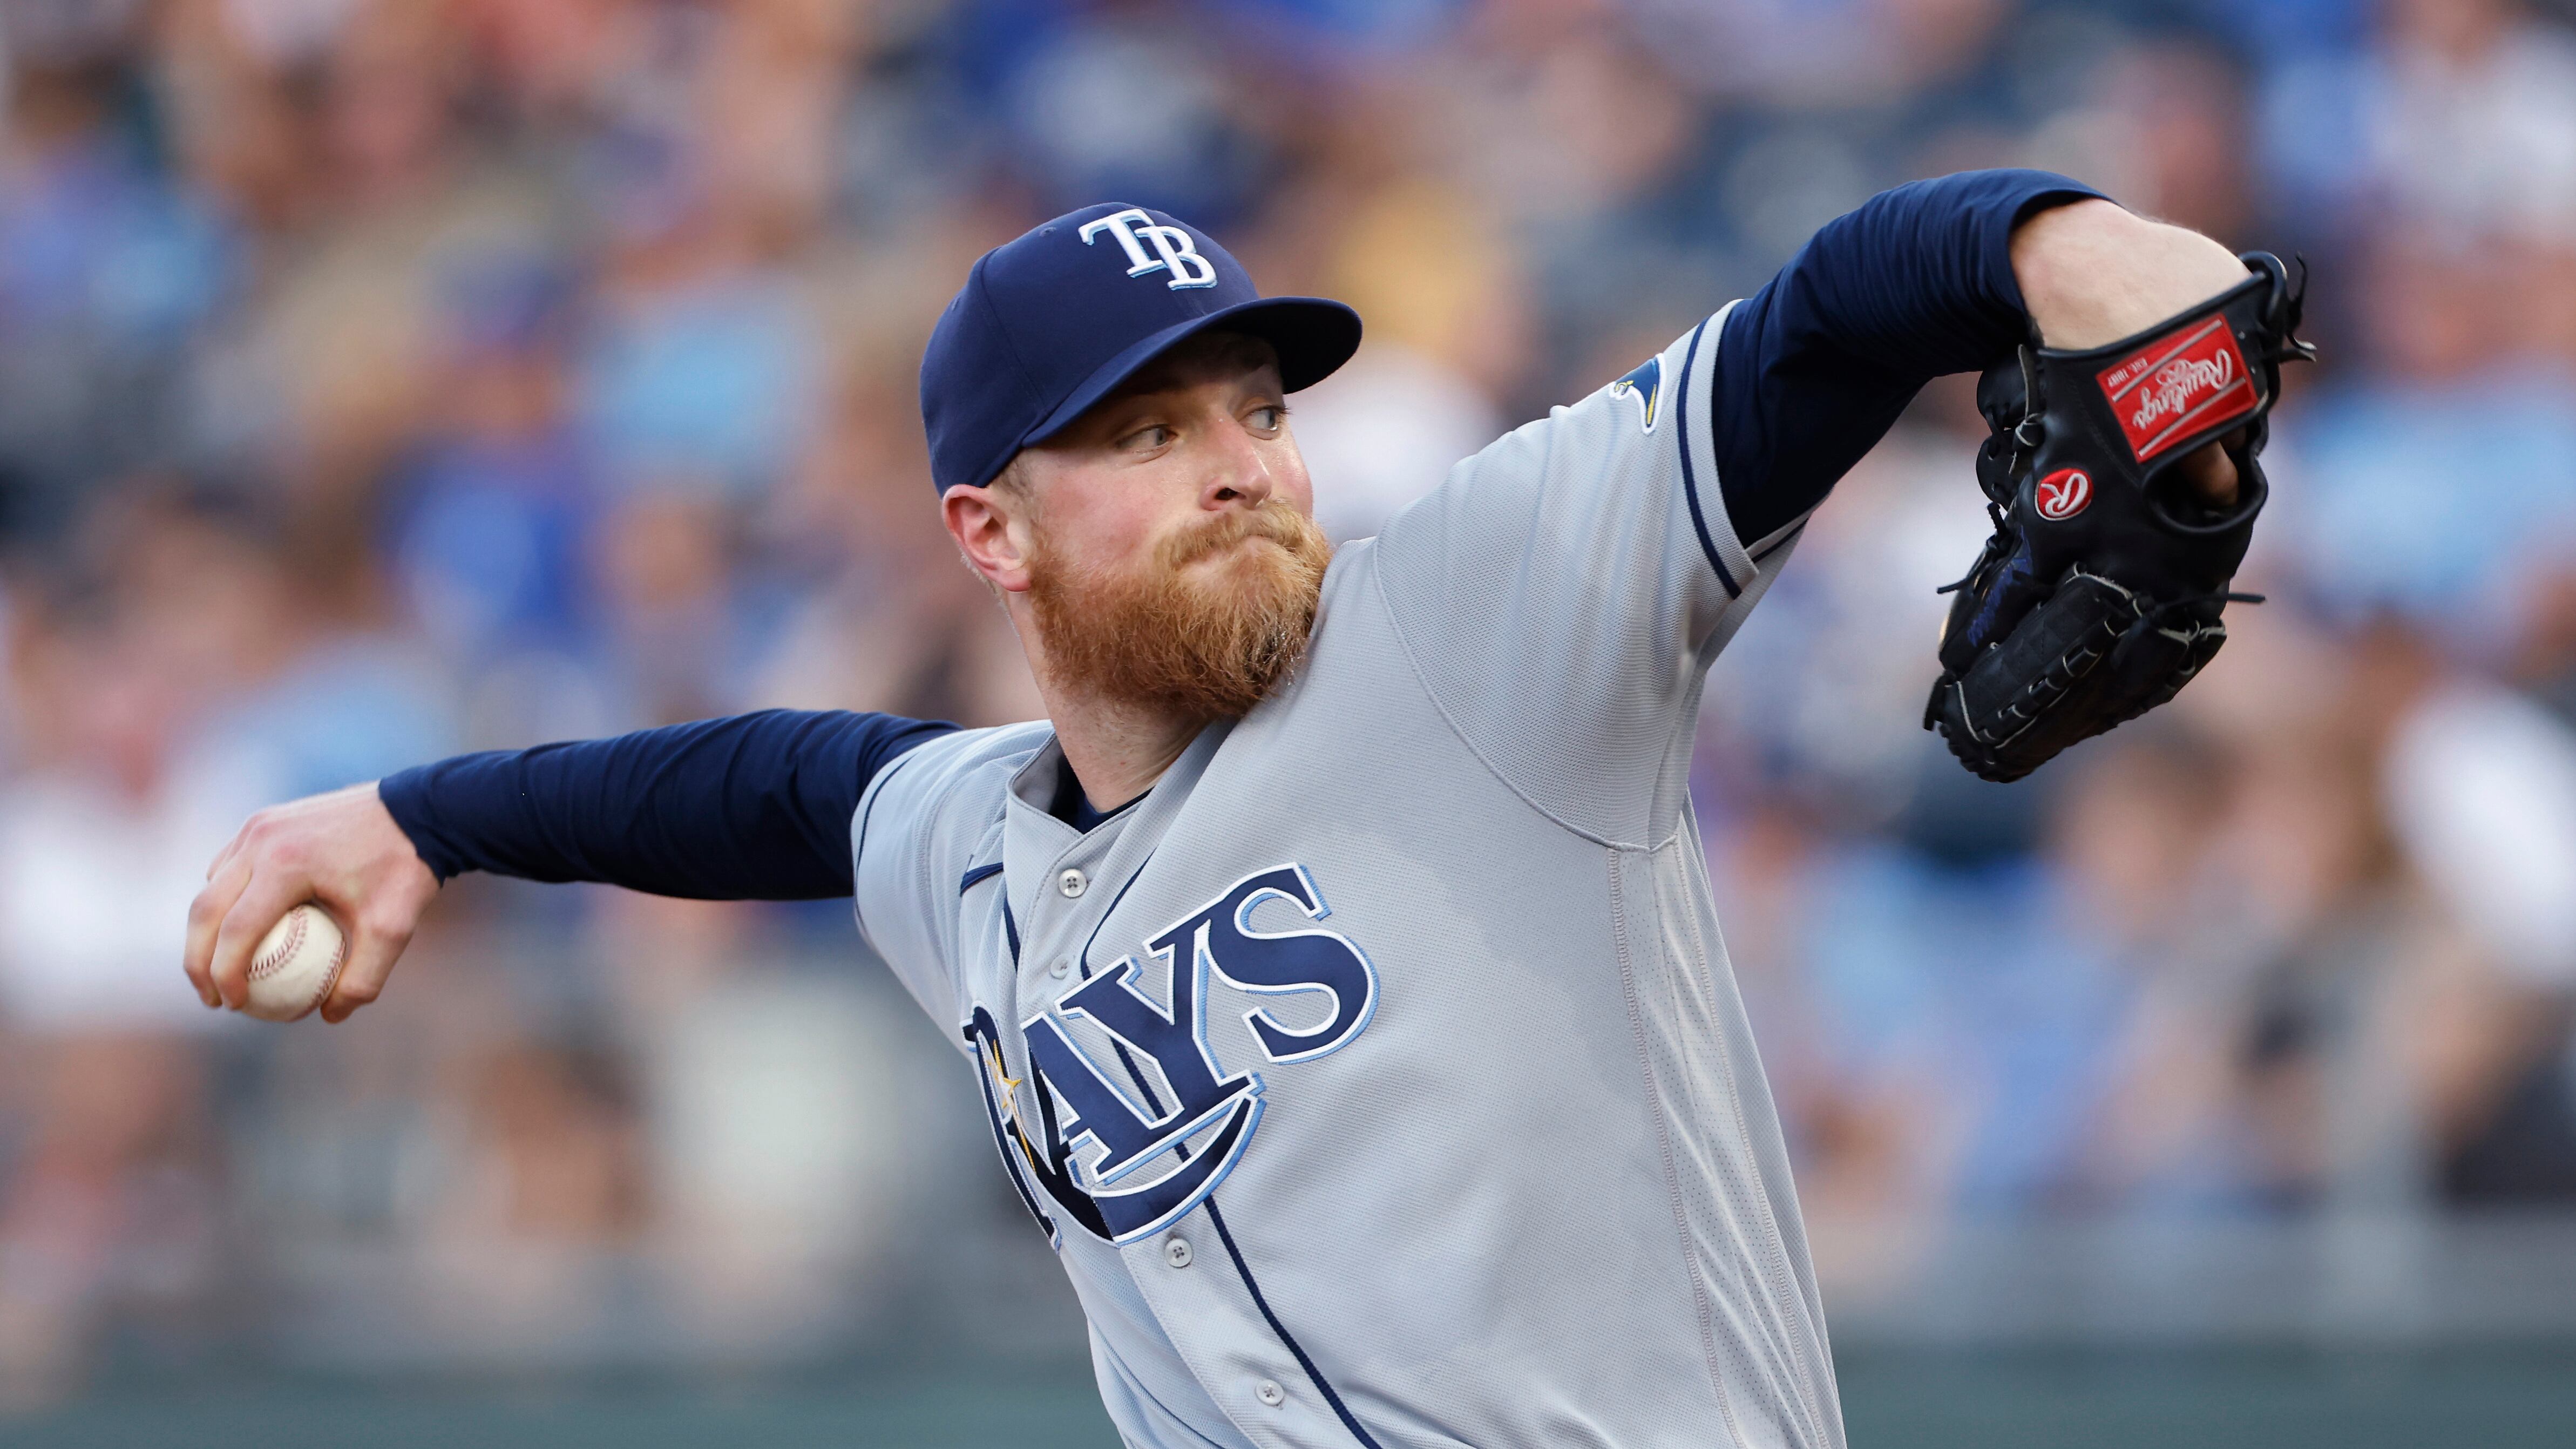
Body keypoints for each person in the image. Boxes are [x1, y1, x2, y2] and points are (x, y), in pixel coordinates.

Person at [186, 176, 2256, 1448]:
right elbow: (765, 790)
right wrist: (416, 815)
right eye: (1150, 430)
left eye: (1260, 408)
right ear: (987, 531)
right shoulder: (971, 850)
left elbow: (1824, 317)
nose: (1245, 463)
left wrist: (2057, 244)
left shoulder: (1471, 629)